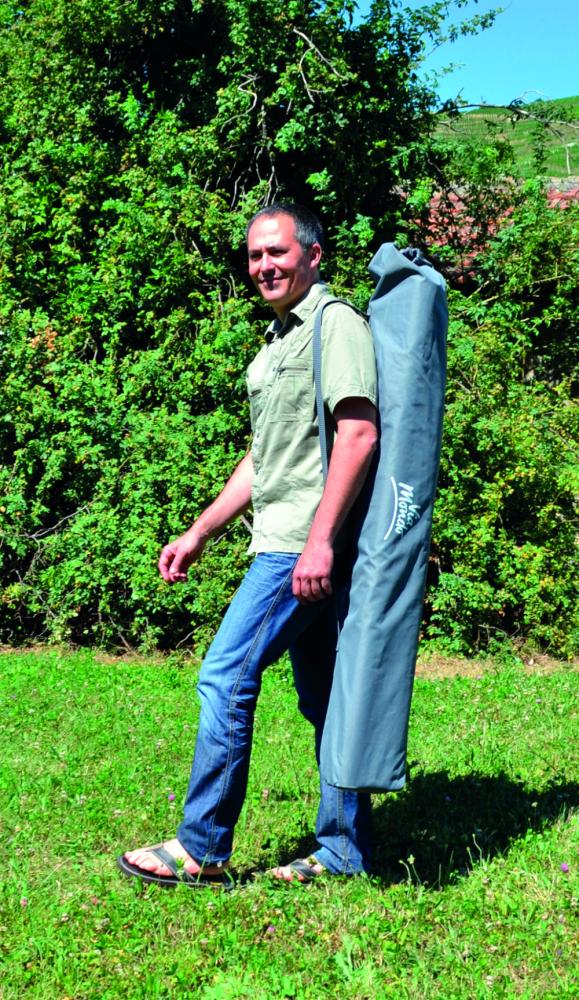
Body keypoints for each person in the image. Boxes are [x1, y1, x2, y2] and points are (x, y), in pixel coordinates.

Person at [118, 202, 378, 887]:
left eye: (277, 252)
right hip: (288, 538)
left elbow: (358, 434)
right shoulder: (278, 340)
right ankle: (344, 850)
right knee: (326, 699)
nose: (264, 265)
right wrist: (200, 531)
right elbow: (265, 458)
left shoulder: (335, 325)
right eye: (255, 255)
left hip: (301, 545)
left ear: (313, 255)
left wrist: (320, 543)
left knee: (225, 675)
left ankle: (201, 847)